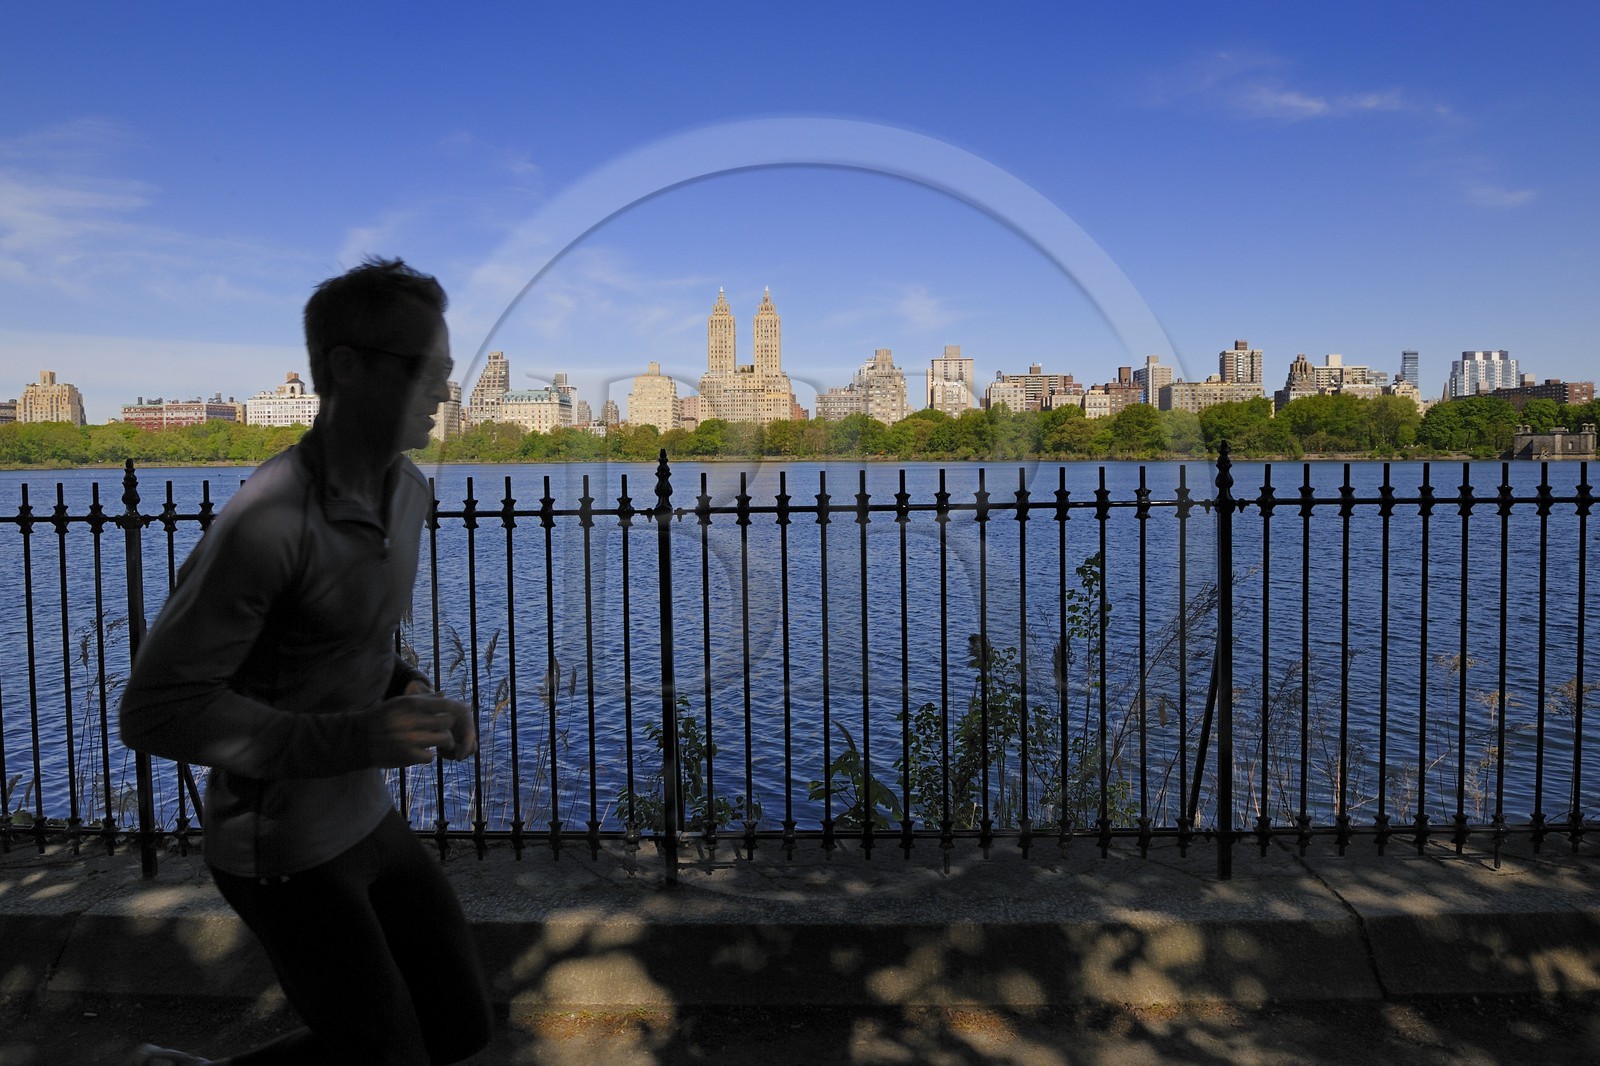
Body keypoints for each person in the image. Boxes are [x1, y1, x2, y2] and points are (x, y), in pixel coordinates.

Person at [120, 258, 493, 1065]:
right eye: (421, 369)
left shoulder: (410, 493)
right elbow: (155, 709)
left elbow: (347, 642)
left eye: (447, 372)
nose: (442, 391)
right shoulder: (270, 519)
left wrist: (414, 692)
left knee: (460, 1026)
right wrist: (359, 738)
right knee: (387, 1054)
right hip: (279, 847)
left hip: (362, 814)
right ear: (346, 368)